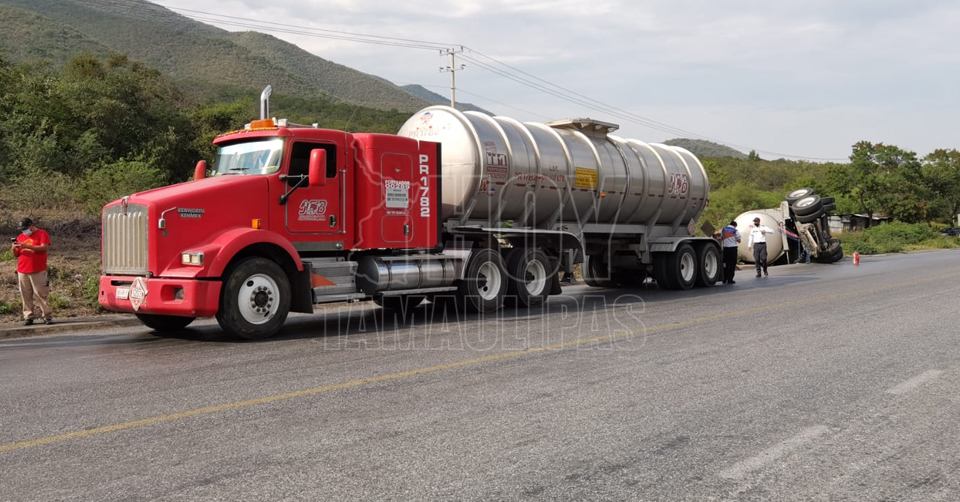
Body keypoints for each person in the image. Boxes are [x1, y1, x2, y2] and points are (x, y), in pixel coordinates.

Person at [11, 218, 53, 325]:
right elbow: (16, 254)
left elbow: (44, 248)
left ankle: (46, 315)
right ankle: (28, 316)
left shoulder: (42, 233)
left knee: (40, 294)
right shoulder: (21, 237)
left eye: (25, 228)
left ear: (31, 226)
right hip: (23, 270)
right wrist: (14, 248)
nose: (24, 231)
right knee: (25, 294)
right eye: (22, 229)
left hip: (38, 269)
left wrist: (27, 246)